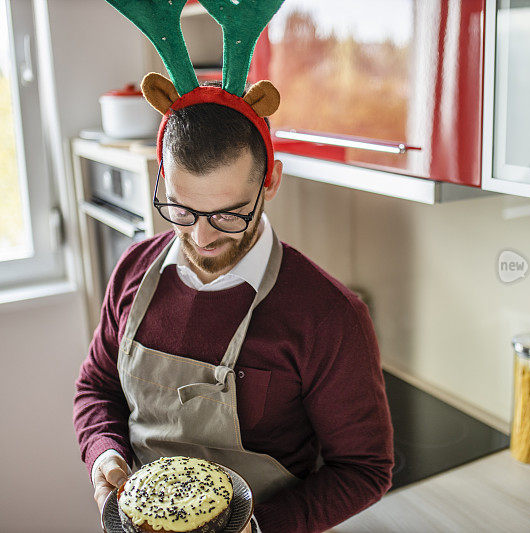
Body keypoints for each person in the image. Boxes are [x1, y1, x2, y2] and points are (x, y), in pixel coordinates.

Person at [73, 81, 394, 533]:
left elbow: (365, 470)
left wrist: (258, 527)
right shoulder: (132, 271)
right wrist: (103, 452)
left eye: (228, 215)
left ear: (271, 181)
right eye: (181, 210)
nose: (202, 240)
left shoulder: (328, 316)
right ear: (162, 178)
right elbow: (97, 386)